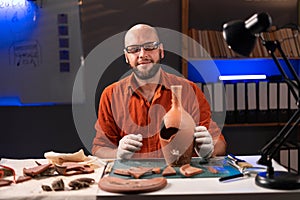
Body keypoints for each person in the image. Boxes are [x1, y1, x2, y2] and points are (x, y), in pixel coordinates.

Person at [92, 24, 226, 160]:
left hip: (182, 176)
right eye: (134, 49)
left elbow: (219, 143)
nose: (142, 54)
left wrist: (208, 150)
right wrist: (118, 154)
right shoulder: (111, 95)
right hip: (134, 179)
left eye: (150, 46)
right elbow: (99, 149)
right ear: (127, 56)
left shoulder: (189, 90)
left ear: (161, 51)